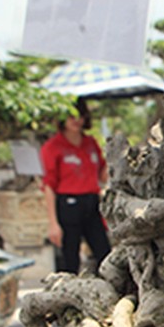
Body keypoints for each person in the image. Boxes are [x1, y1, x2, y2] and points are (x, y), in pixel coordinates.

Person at [40, 98, 112, 274]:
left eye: (80, 115)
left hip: (92, 202)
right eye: (71, 116)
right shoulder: (53, 147)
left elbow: (102, 174)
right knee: (69, 258)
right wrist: (53, 223)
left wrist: (116, 159)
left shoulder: (90, 143)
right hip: (68, 204)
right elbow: (49, 185)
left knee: (104, 253)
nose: (76, 120)